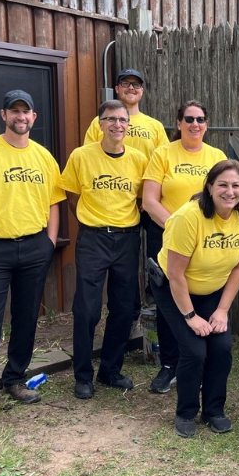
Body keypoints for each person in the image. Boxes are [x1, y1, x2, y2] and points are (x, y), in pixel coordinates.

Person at [0, 90, 65, 434]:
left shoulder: (44, 157)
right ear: (4, 114)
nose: (21, 117)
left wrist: (50, 242)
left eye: (26, 112)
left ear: (34, 118)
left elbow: (55, 202)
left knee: (26, 318)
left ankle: (14, 379)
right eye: (15, 111)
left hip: (34, 247)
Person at [151, 160, 239, 437]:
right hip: (175, 288)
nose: (229, 191)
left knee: (221, 349)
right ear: (210, 187)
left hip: (212, 290)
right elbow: (175, 275)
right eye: (222, 184)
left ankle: (214, 410)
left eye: (235, 185)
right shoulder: (189, 217)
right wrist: (190, 317)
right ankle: (186, 413)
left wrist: (222, 310)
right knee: (195, 351)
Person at [60, 99, 148, 399]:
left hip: (127, 239)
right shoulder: (81, 156)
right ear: (100, 124)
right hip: (93, 238)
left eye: (123, 120)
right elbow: (72, 197)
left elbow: (141, 199)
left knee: (124, 308)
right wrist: (93, 222)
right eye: (111, 119)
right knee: (87, 309)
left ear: (128, 125)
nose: (117, 125)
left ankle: (110, 370)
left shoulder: (138, 159)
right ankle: (83, 375)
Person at [142, 100, 226, 393]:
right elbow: (149, 200)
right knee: (167, 301)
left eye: (200, 119)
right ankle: (169, 365)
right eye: (188, 119)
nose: (195, 124)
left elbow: (225, 197)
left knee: (203, 298)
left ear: (206, 124)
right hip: (166, 235)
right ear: (178, 123)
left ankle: (200, 363)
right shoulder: (162, 153)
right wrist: (177, 228)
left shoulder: (216, 156)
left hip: (207, 241)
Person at [84, 69, 169, 341]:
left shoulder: (154, 126)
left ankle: (155, 304)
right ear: (117, 89)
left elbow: (165, 162)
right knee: (126, 264)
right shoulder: (100, 123)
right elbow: (91, 162)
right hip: (117, 202)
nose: (131, 88)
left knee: (158, 254)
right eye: (125, 84)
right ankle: (131, 315)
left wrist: (152, 198)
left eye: (137, 85)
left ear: (142, 91)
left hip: (149, 201)